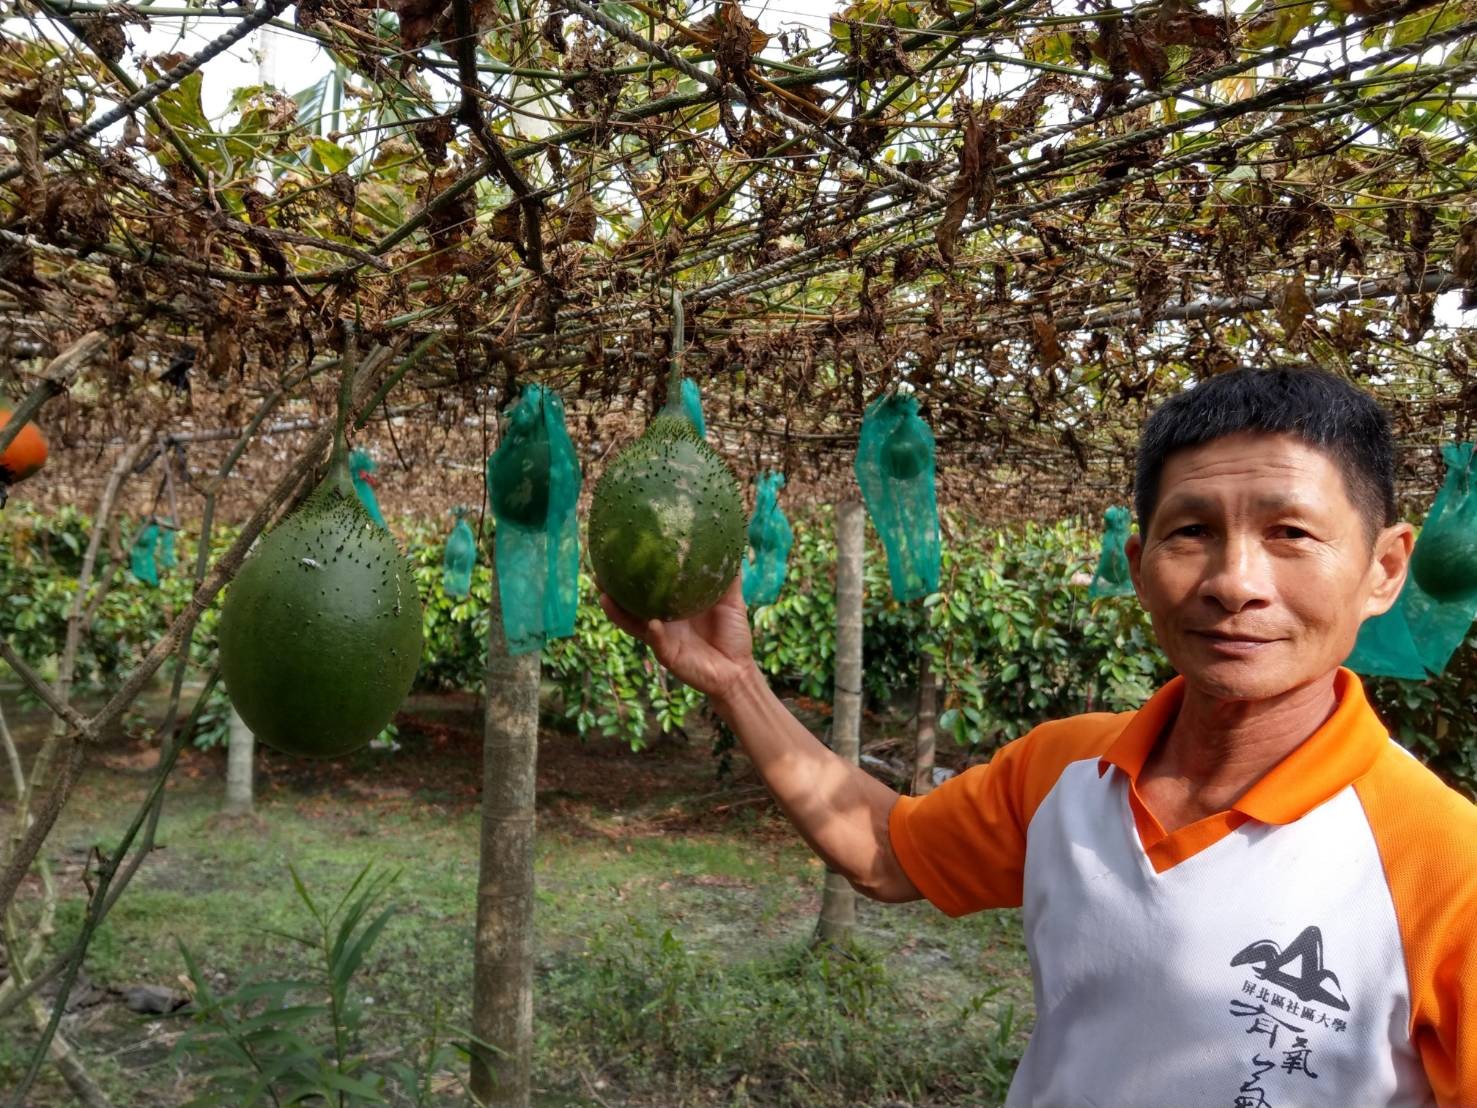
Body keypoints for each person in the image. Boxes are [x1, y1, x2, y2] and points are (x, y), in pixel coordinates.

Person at [600, 368, 1477, 1107]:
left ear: (1385, 568)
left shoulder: (1445, 866)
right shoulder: (1067, 766)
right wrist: (734, 682)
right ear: (1137, 567)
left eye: (1289, 533)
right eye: (1191, 532)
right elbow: (882, 851)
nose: (1234, 582)